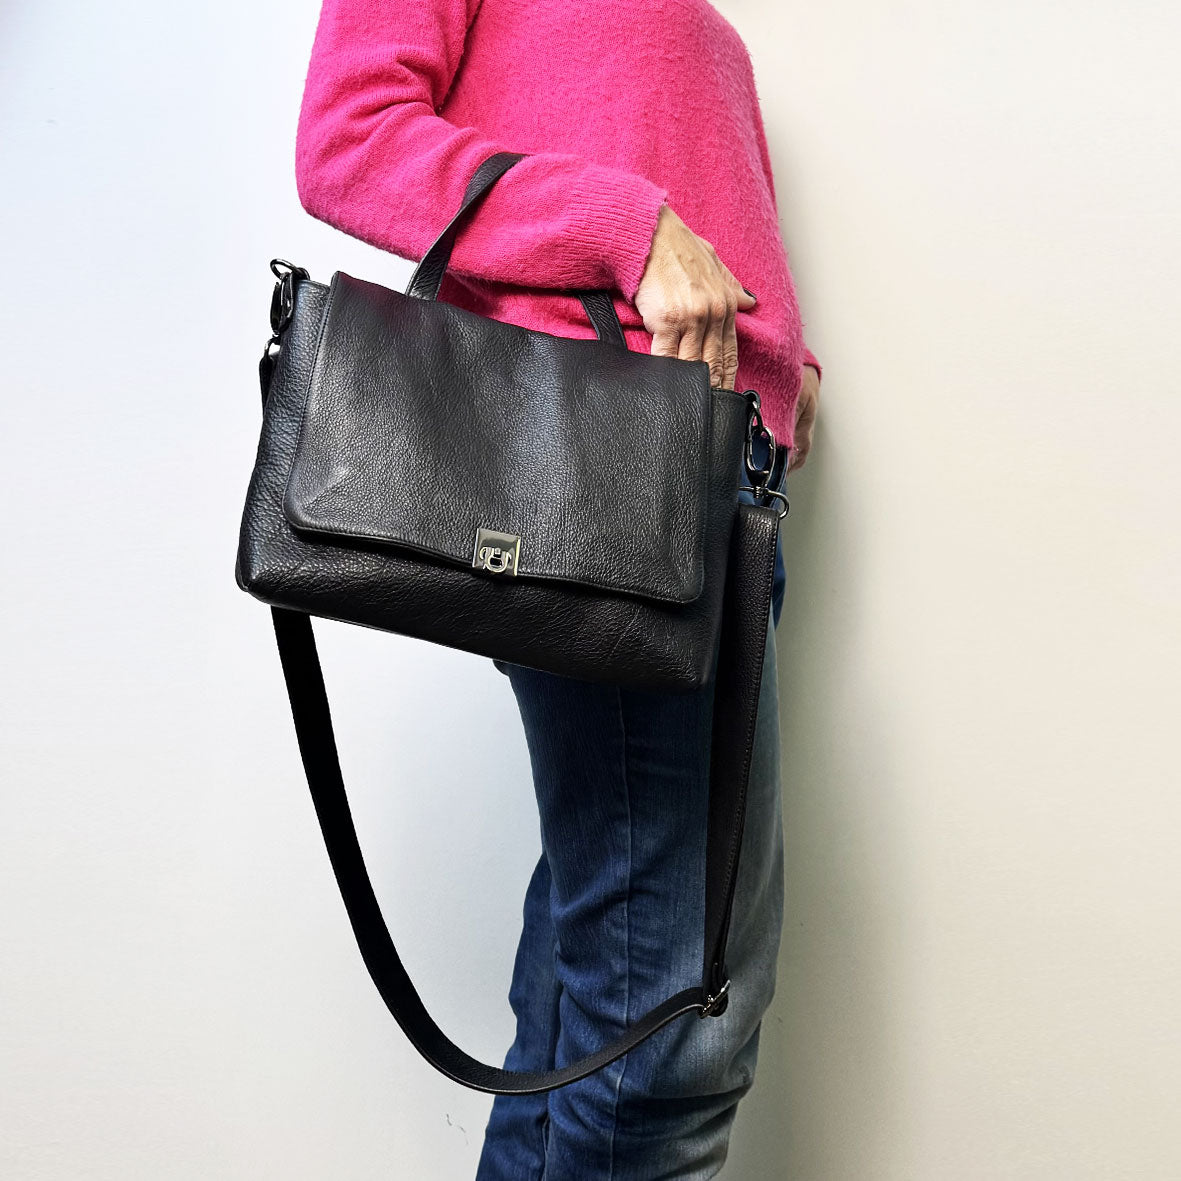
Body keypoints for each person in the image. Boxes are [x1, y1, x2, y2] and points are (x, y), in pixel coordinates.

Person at [294, 1, 822, 1176]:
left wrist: (785, 365)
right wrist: (626, 228)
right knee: (666, 1030)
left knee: (597, 998)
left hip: (718, 474)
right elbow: (347, 138)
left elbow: (683, 164)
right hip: (609, 477)